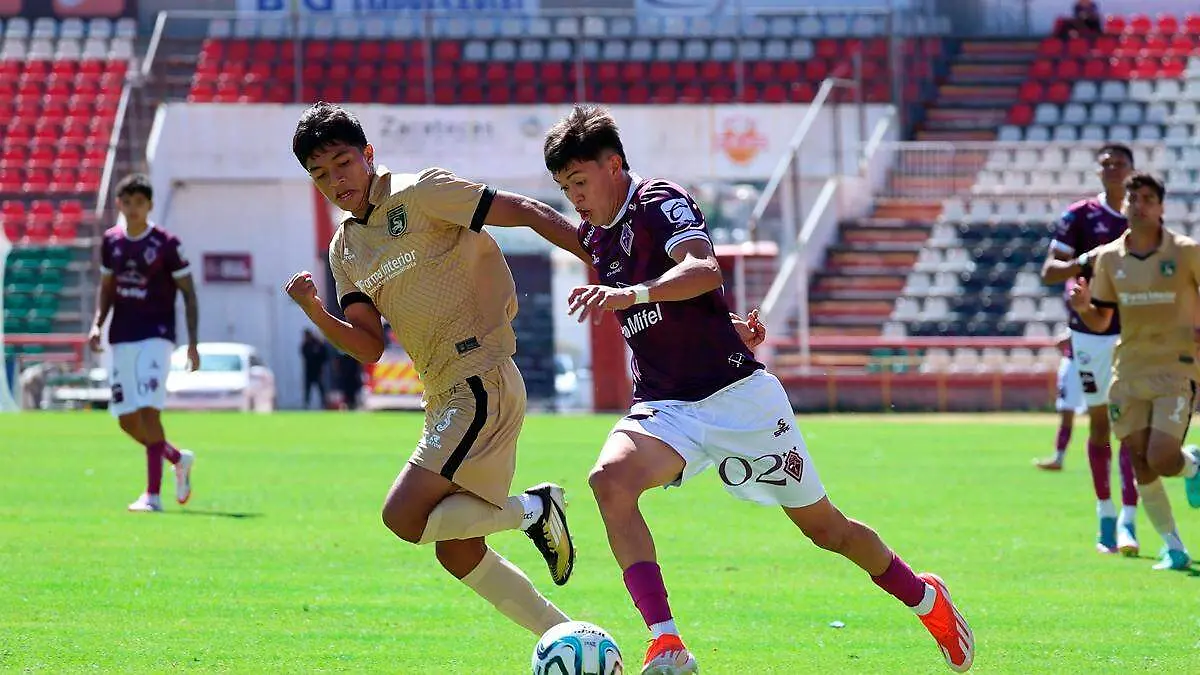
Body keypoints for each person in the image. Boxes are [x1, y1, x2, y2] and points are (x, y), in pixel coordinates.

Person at [538, 105, 974, 674]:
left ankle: (925, 598)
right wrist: (471, 206)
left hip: (739, 398)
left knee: (827, 531)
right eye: (563, 187)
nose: (573, 197)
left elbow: (703, 269)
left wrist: (632, 296)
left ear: (614, 164)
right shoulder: (597, 235)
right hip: (667, 407)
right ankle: (667, 643)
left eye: (578, 181)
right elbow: (531, 216)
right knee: (609, 481)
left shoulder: (658, 201)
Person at [284, 101, 591, 638]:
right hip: (446, 395)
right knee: (458, 550)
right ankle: (571, 641)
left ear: (367, 155)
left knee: (402, 517)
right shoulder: (344, 249)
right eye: (320, 174)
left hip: (480, 381)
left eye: (342, 163)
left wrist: (599, 254)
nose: (336, 181)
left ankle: (535, 509)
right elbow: (368, 346)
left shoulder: (420, 193)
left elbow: (523, 210)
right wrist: (316, 312)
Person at [1068, 172, 1200, 571]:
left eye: (1147, 198)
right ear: (1123, 206)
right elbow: (1101, 319)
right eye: (1132, 198)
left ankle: (1192, 462)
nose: (1138, 204)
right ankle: (1173, 547)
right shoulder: (1108, 257)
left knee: (1161, 457)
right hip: (1129, 370)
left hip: (1176, 368)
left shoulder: (1186, 252)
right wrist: (1083, 307)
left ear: (1160, 207)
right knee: (1139, 459)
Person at [1038, 144, 1139, 555]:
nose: (1113, 169)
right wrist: (1086, 261)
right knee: (1100, 425)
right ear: (1099, 171)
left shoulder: (1143, 217)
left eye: (1120, 164)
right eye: (1106, 164)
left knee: (1130, 428)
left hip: (1133, 332)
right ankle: (1106, 519)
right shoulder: (1079, 216)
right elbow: (1049, 272)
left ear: (1133, 171)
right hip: (1089, 334)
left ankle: (1131, 522)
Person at [88, 173, 198, 513]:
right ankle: (176, 457)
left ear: (149, 205)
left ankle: (152, 495)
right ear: (119, 205)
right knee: (125, 418)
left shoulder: (166, 245)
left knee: (150, 411)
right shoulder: (111, 242)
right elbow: (106, 288)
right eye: (127, 202)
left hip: (156, 335)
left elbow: (189, 295)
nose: (133, 209)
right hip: (121, 335)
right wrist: (97, 324)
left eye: (140, 203)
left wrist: (193, 343)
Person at [1043, 327, 1086, 469]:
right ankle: (1059, 457)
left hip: (1086, 364)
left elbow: (1061, 342)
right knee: (1068, 412)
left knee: (1100, 414)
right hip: (1081, 363)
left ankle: (1059, 457)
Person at [301, 328, 330, 409]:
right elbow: (305, 355)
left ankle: (324, 404)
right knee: (308, 389)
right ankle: (306, 404)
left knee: (321, 388)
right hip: (309, 371)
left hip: (318, 370)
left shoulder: (318, 344)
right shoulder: (305, 345)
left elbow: (324, 356)